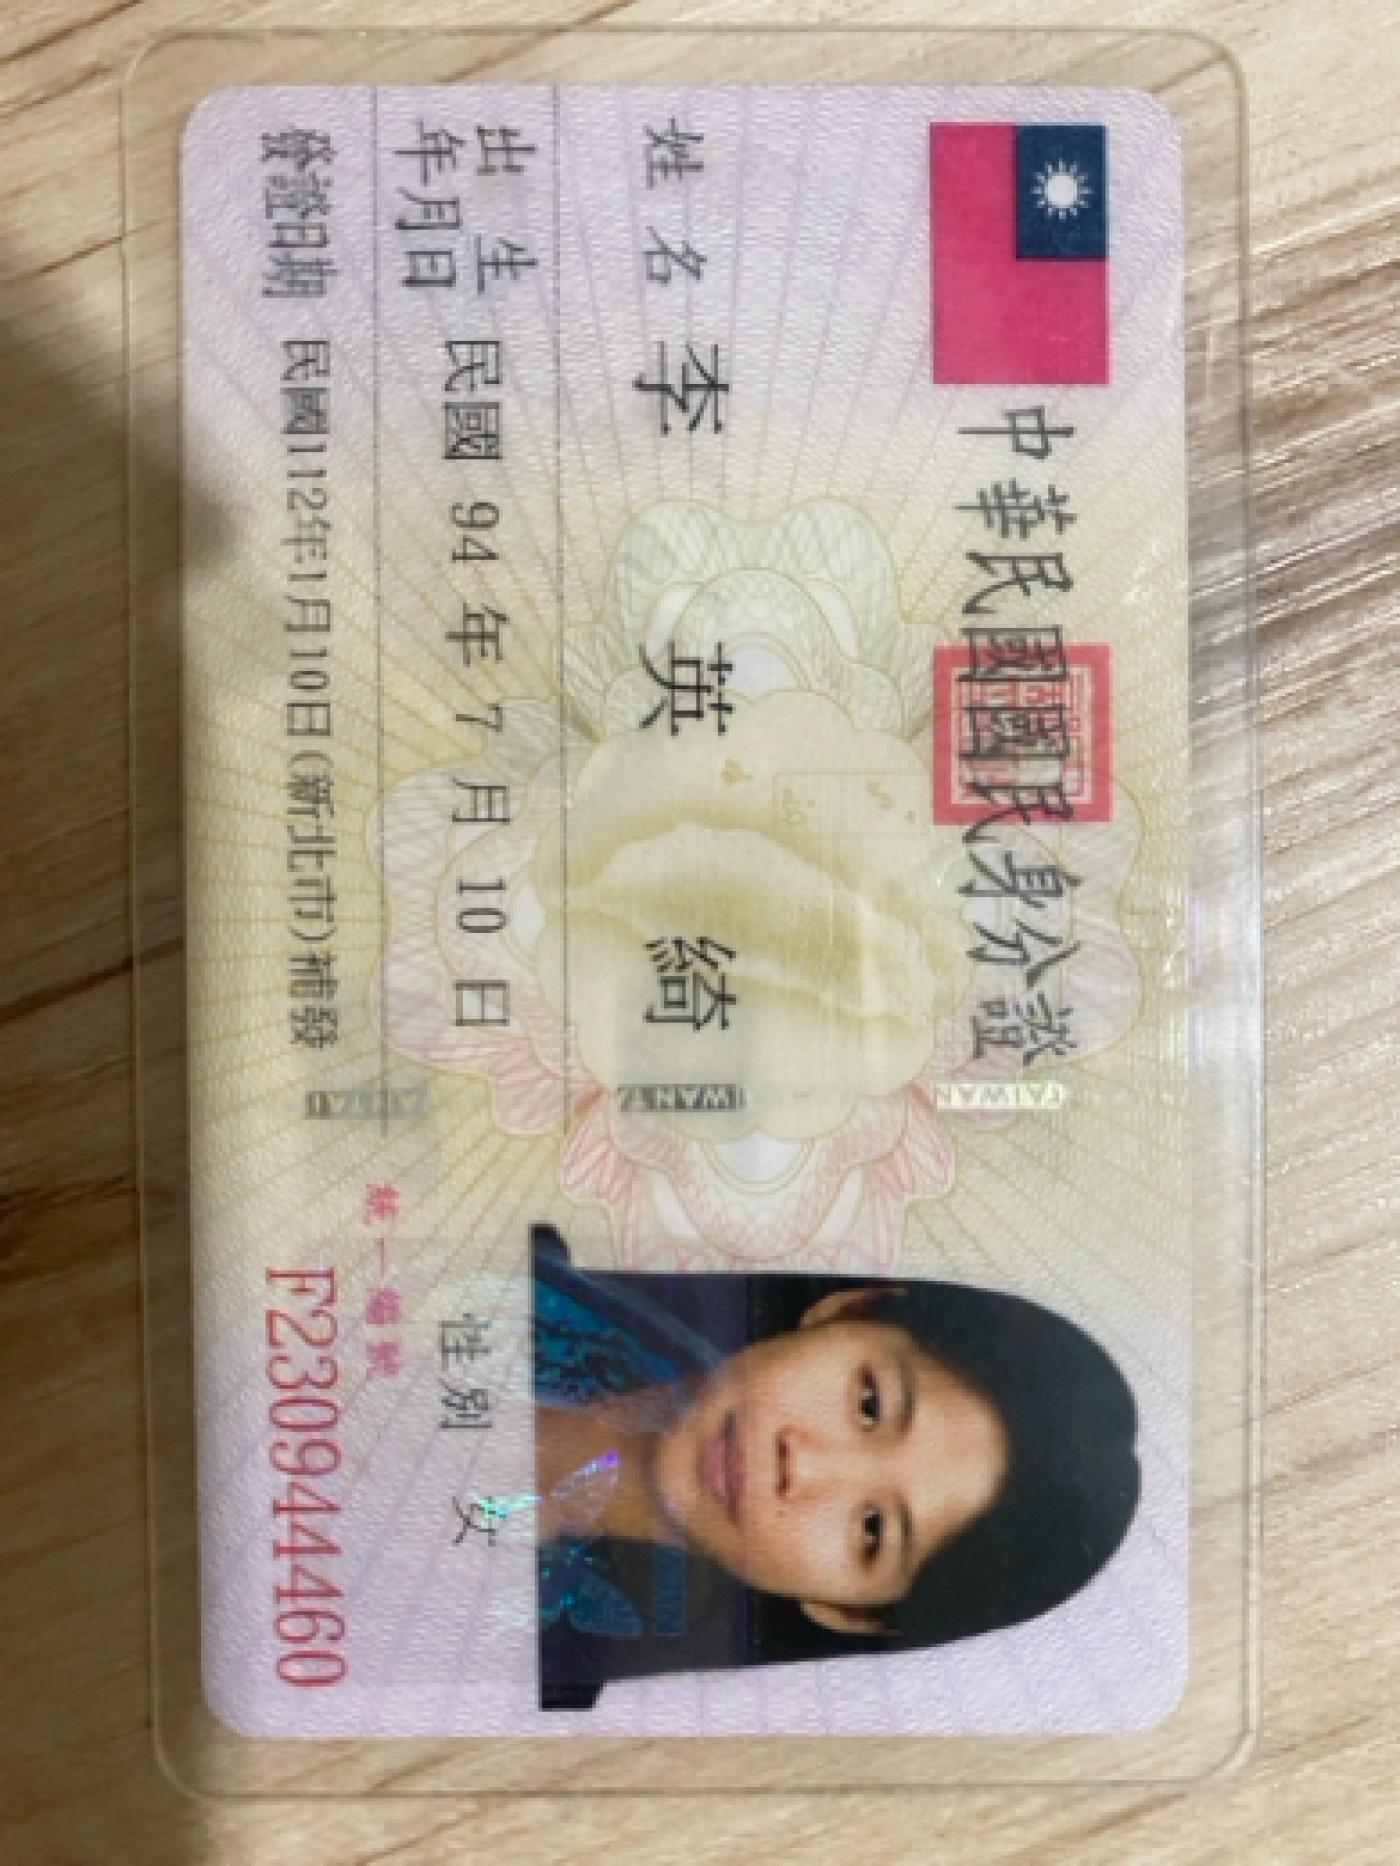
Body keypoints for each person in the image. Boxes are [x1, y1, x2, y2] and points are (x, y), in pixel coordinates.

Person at [529, 1225, 1140, 1710]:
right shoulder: (521, 1261)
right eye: (870, 1403)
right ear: (848, 1310)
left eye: (873, 1530)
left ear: (844, 1611)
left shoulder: (532, 1682)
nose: (802, 1464)